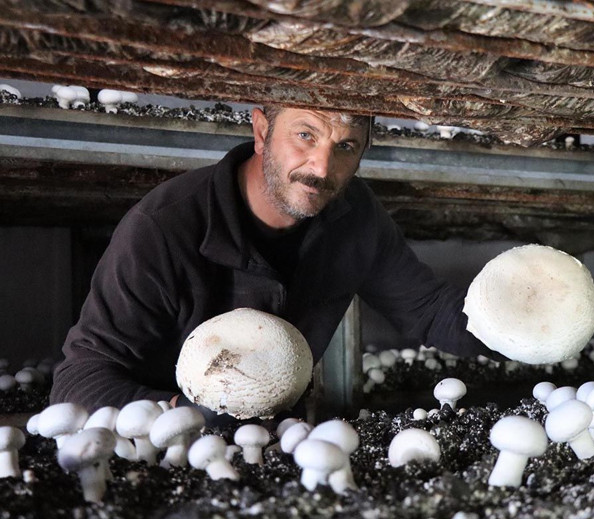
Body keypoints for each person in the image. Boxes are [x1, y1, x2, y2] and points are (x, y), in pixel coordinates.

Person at [50, 105, 501, 415]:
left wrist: (529, 323)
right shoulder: (165, 227)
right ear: (262, 131)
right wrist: (184, 416)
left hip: (279, 444)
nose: (321, 167)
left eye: (346, 146)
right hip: (156, 454)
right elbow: (80, 380)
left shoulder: (355, 217)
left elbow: (429, 310)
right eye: (305, 135)